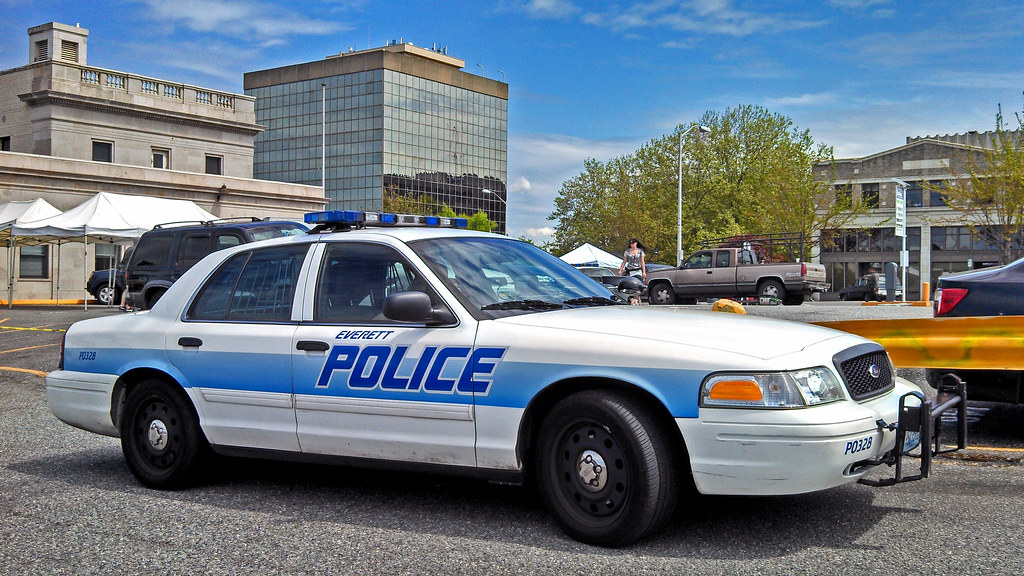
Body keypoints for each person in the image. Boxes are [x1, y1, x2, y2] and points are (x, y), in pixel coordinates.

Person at [618, 238, 647, 304]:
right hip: (630, 271)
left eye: (632, 243)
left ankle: (637, 298)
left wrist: (644, 272)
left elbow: (642, 262)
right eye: (630, 243)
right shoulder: (627, 252)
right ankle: (631, 301)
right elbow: (624, 261)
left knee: (637, 285)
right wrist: (620, 270)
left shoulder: (640, 251)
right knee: (629, 285)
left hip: (638, 270)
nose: (631, 244)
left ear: (636, 243)